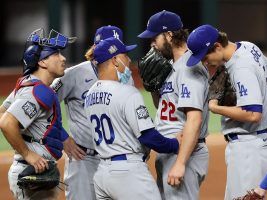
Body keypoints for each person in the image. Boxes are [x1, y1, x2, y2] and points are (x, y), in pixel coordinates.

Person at [85, 37, 182, 200]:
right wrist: (175, 144)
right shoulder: (127, 93)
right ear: (115, 60)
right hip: (128, 174)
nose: (129, 60)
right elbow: (149, 137)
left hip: (102, 175)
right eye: (125, 55)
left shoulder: (90, 95)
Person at [186, 24, 267, 199]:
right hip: (258, 142)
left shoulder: (241, 67)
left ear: (217, 46)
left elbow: (253, 114)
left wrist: (215, 107)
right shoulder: (249, 46)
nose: (204, 61)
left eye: (205, 55)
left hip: (249, 148)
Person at [137, 10, 209, 200]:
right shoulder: (170, 66)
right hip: (169, 149)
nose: (152, 43)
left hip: (184, 151)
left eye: (155, 37)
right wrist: (153, 88)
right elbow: (163, 107)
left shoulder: (189, 68)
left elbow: (194, 119)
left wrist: (181, 163)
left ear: (169, 35)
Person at [0, 28, 77, 200]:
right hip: (33, 173)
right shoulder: (36, 92)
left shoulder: (27, 84)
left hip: (35, 171)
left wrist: (34, 134)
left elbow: (2, 112)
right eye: (56, 54)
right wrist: (28, 153)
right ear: (42, 62)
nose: (63, 58)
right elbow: (6, 122)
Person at [51, 25, 126, 200]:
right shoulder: (72, 75)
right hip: (84, 160)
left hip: (116, 160)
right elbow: (45, 107)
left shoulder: (124, 76)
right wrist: (62, 137)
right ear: (95, 47)